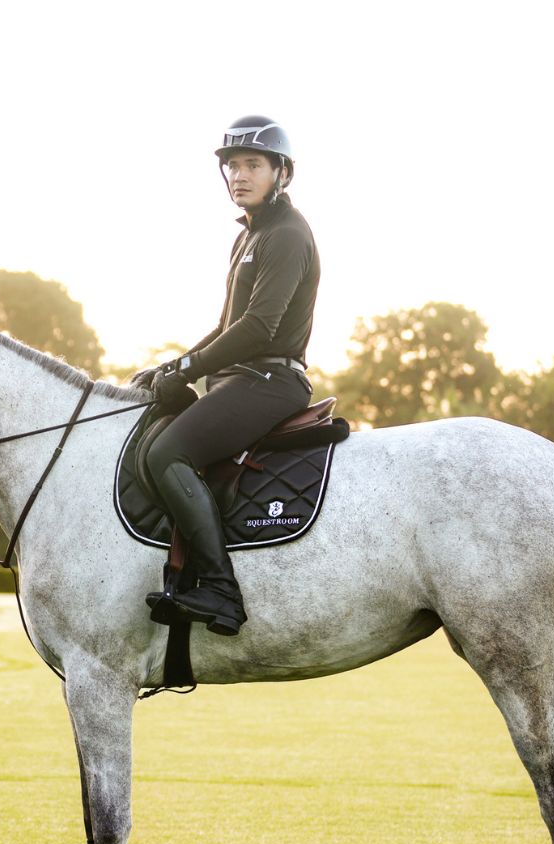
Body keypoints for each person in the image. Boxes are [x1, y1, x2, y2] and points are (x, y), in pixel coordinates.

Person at [133, 115, 320, 636]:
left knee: (167, 452)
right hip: (239, 376)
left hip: (270, 380)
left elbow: (259, 328)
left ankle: (219, 589)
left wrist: (189, 368)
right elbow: (225, 327)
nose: (240, 175)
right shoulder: (251, 237)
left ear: (281, 172)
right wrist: (173, 366)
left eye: (253, 165)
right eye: (233, 165)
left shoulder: (285, 235)